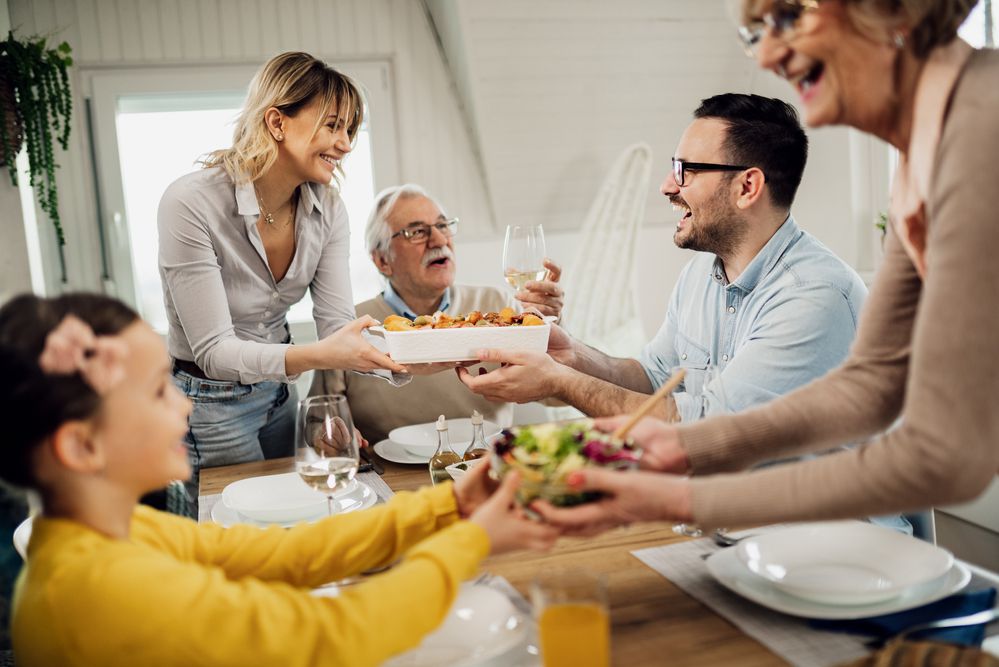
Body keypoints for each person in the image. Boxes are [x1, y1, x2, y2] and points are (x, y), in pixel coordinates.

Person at [531, 0, 999, 535]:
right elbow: (869, 389)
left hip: (839, 548)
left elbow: (945, 454)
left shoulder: (980, 131)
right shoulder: (920, 162)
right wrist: (680, 447)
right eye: (756, 32)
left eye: (787, 16)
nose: (769, 55)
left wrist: (681, 495)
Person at [1, 293, 557, 667]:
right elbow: (332, 635)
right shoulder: (107, 590)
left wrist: (450, 506)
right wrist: (473, 539)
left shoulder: (114, 534)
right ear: (81, 446)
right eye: (156, 392)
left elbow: (287, 554)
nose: (185, 406)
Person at [458, 94, 867, 427]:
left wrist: (560, 382)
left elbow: (712, 428)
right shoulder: (700, 276)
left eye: (684, 170)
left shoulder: (815, 296)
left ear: (747, 187)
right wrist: (572, 355)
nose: (667, 186)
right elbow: (654, 380)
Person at [158, 52, 406, 506]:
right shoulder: (191, 203)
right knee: (239, 532)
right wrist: (318, 356)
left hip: (279, 396)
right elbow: (214, 353)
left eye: (350, 130)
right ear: (276, 122)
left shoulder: (328, 209)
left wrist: (412, 357)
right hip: (209, 404)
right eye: (333, 126)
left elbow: (337, 326)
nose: (346, 144)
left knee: (294, 515)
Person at [311, 184, 564, 443]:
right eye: (417, 232)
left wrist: (550, 325)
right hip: (389, 466)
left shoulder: (498, 306)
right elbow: (316, 420)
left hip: (487, 461)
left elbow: (555, 395)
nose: (440, 240)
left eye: (442, 226)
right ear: (382, 261)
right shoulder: (350, 326)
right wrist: (329, 436)